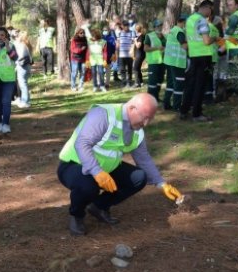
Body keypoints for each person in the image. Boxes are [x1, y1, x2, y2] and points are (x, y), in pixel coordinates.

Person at [57, 93, 183, 236]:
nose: (146, 123)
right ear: (132, 108)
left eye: (150, 119)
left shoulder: (137, 131)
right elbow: (82, 143)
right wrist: (96, 172)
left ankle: (99, 206)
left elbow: (144, 159)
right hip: (74, 164)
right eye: (144, 117)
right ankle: (77, 215)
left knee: (139, 178)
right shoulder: (104, 114)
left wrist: (161, 183)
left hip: (105, 169)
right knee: (88, 187)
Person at [181, 0, 217, 122]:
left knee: (190, 84)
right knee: (200, 85)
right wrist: (215, 38)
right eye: (211, 10)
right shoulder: (202, 20)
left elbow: (188, 38)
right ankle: (197, 114)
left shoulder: (190, 19)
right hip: (204, 56)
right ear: (206, 8)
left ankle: (184, 110)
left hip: (193, 55)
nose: (211, 13)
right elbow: (206, 41)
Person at [162, 14, 188, 111]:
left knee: (170, 84)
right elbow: (184, 46)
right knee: (179, 84)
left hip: (169, 61)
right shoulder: (180, 32)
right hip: (177, 62)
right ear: (183, 22)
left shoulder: (172, 31)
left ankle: (166, 103)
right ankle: (176, 106)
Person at [144, 19, 166, 101]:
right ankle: (150, 99)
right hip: (153, 62)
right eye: (158, 26)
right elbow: (145, 48)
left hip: (162, 62)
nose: (160, 27)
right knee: (152, 81)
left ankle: (156, 97)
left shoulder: (164, 36)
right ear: (154, 27)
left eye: (161, 25)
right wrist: (157, 48)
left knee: (159, 80)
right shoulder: (149, 36)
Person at [82, 25, 107, 92]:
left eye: (94, 37)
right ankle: (95, 86)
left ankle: (102, 86)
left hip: (100, 59)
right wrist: (87, 60)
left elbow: (105, 52)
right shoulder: (90, 40)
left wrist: (105, 60)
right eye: (92, 36)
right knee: (94, 73)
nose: (93, 38)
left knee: (101, 72)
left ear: (97, 36)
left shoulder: (103, 42)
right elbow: (88, 51)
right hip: (92, 59)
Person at [14, 31, 33, 107]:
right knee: (24, 84)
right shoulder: (27, 45)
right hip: (27, 66)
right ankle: (25, 100)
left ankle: (25, 101)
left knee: (23, 84)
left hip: (22, 66)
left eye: (18, 36)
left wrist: (16, 61)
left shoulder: (21, 45)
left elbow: (20, 56)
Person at [116, 21, 135, 88]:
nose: (126, 27)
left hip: (130, 55)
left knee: (129, 69)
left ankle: (129, 81)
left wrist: (132, 51)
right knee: (122, 69)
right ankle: (124, 82)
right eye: (124, 26)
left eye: (127, 25)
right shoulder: (119, 33)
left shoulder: (132, 33)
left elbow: (133, 42)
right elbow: (118, 43)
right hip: (121, 54)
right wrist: (117, 53)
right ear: (122, 26)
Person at [69, 27, 88, 91]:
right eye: (81, 33)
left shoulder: (85, 39)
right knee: (74, 72)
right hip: (75, 59)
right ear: (77, 33)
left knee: (82, 72)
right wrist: (81, 49)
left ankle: (81, 85)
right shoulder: (74, 40)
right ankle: (73, 86)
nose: (82, 34)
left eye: (83, 33)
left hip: (83, 59)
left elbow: (87, 49)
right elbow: (73, 49)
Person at [132, 23, 146, 88]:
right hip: (140, 54)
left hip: (140, 54)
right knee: (138, 68)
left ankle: (137, 83)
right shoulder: (142, 36)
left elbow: (138, 46)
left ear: (137, 30)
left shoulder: (141, 37)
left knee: (135, 68)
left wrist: (135, 41)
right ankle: (141, 82)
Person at [102, 25, 116, 89]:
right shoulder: (101, 37)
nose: (105, 31)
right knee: (101, 70)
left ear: (109, 31)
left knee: (108, 70)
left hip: (109, 56)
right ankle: (101, 83)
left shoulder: (112, 38)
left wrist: (113, 54)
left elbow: (114, 47)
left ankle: (107, 83)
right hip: (101, 56)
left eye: (106, 30)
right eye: (104, 30)